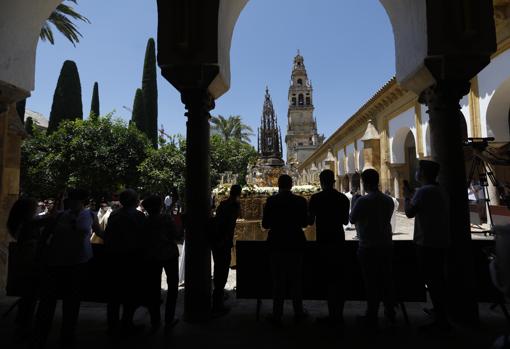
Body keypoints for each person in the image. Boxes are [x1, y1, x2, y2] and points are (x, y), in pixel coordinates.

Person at [32, 189, 102, 348]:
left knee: (72, 303)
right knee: (48, 303)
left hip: (79, 264)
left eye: (75, 199)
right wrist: (39, 256)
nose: (71, 202)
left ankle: (67, 335)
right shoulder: (58, 216)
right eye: (71, 199)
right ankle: (40, 335)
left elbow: (100, 233)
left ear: (83, 201)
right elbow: (44, 236)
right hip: (56, 263)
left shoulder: (90, 215)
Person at [404, 160, 451, 332]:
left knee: (432, 280)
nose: (417, 172)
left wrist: (407, 195)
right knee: (438, 278)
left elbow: (409, 213)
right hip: (441, 240)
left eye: (419, 170)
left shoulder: (423, 191)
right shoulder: (440, 189)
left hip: (427, 242)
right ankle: (439, 311)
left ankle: (440, 319)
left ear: (423, 174)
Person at [350, 169, 396, 328]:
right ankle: (390, 311)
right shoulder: (388, 200)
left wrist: (356, 203)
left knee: (371, 283)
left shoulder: (363, 201)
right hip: (386, 245)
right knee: (387, 279)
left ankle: (372, 315)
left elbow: (352, 219)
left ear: (364, 182)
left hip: (368, 246)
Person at [262, 174, 308, 326]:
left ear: (278, 185)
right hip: (295, 243)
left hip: (277, 243)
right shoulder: (300, 201)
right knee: (296, 281)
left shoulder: (271, 201)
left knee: (278, 281)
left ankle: (277, 314)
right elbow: (305, 223)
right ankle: (299, 313)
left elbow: (266, 224)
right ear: (292, 184)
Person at [309, 170, 350, 326]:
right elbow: (345, 221)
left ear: (320, 181)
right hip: (338, 240)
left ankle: (332, 315)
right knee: (339, 279)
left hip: (323, 241)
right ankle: (338, 315)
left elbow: (310, 221)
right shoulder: (342, 198)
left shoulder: (316, 198)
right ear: (333, 181)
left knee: (328, 280)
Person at [6, 198, 52, 337]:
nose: (37, 209)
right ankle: (24, 327)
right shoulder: (29, 224)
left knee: (28, 296)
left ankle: (22, 324)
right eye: (35, 207)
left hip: (25, 261)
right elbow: (51, 219)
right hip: (30, 262)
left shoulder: (20, 223)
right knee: (30, 296)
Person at [103, 189, 146, 334]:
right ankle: (127, 323)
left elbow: (108, 236)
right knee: (130, 294)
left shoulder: (114, 215)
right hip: (132, 259)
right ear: (134, 201)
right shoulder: (138, 216)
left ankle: (112, 325)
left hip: (115, 258)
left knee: (114, 295)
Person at [141, 195, 180, 330]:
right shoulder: (166, 219)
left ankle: (155, 320)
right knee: (173, 287)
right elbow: (176, 234)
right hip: (169, 255)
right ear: (160, 206)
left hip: (152, 257)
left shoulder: (145, 222)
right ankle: (169, 319)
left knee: (153, 288)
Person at [211, 184, 241, 315]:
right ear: (239, 194)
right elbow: (228, 225)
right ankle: (217, 303)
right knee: (221, 272)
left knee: (219, 269)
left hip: (218, 240)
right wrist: (225, 240)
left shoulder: (223, 204)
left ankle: (218, 296)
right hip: (223, 241)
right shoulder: (234, 206)